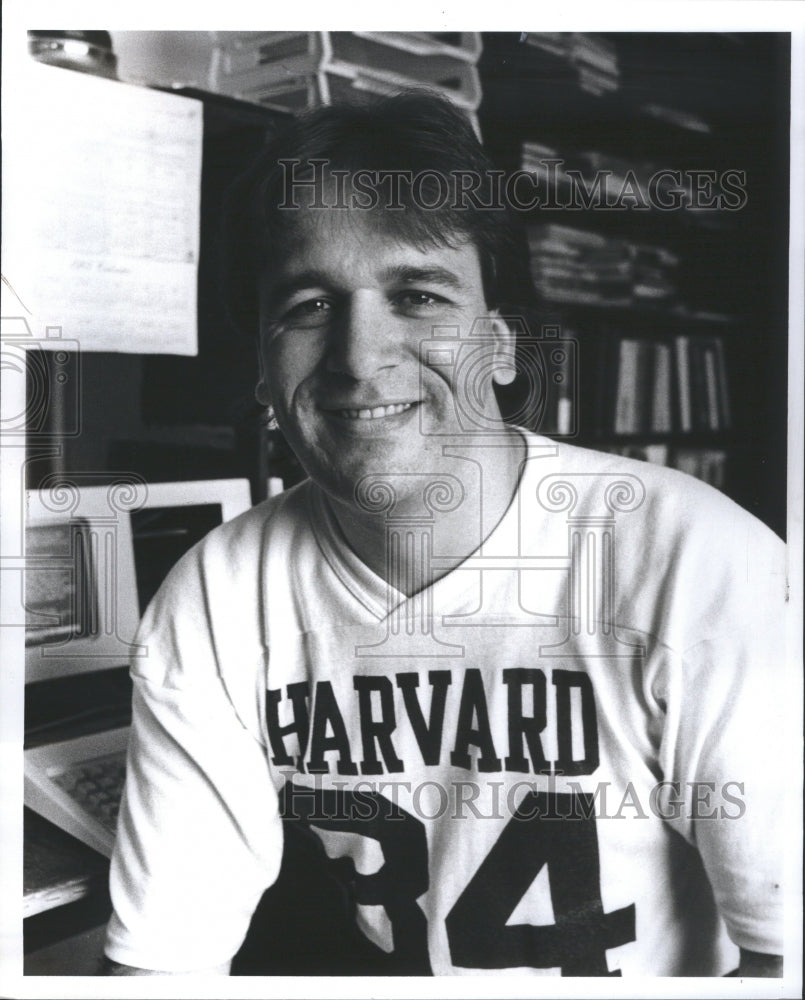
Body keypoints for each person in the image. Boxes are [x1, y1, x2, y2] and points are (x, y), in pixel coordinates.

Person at [104, 92, 786, 977]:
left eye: (418, 294)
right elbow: (160, 964)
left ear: (500, 346)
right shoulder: (215, 595)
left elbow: (785, 959)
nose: (359, 355)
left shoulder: (698, 564)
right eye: (308, 305)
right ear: (266, 370)